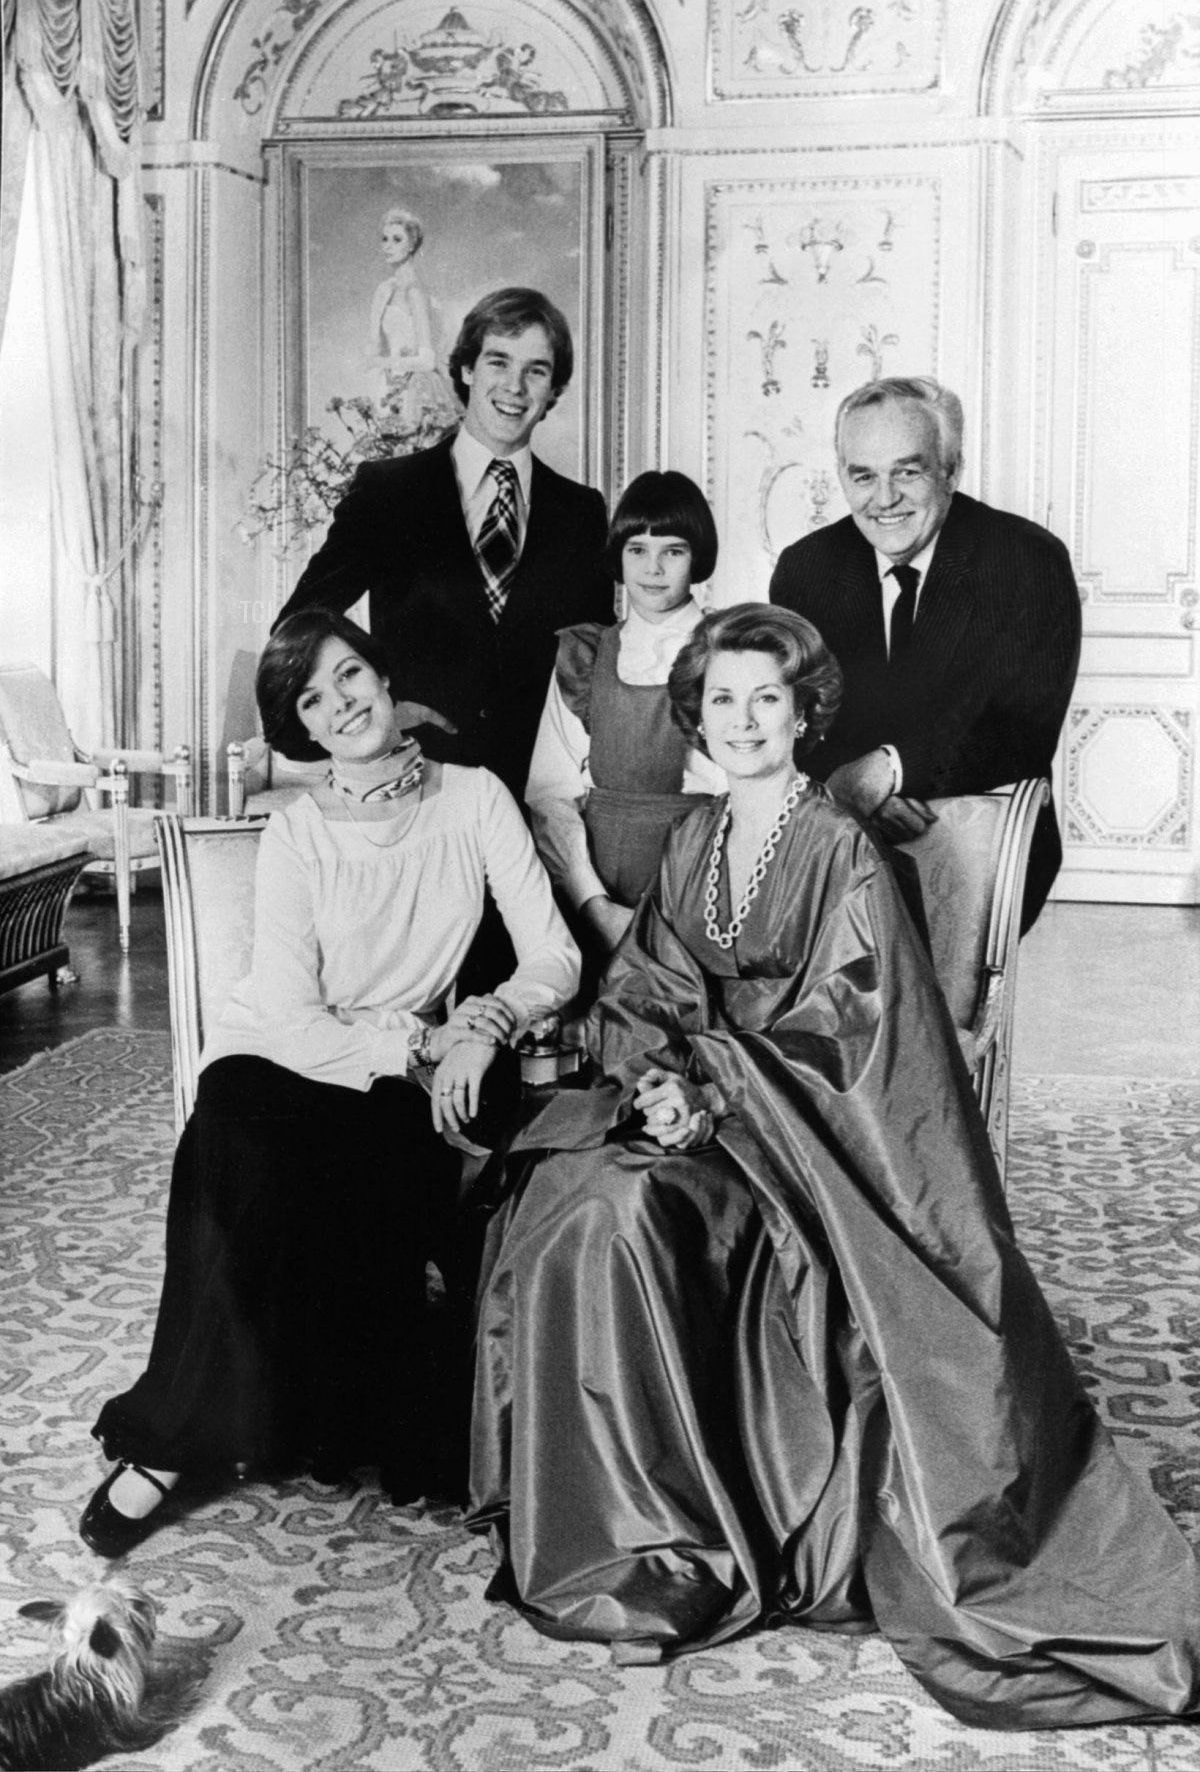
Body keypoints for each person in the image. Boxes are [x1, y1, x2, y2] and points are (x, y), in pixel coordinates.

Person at [468, 602, 1200, 1729]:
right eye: (723, 698)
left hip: (806, 1148)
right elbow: (649, 988)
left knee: (622, 1215)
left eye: (769, 696)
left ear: (806, 711)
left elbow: (855, 1038)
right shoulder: (693, 839)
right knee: (569, 1187)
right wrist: (659, 1074)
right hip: (705, 1117)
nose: (746, 717)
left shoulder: (843, 846)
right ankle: (619, 1530)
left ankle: (674, 1546)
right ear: (695, 717)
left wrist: (709, 1081)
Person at [80, 610, 578, 1557]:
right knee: (236, 1125)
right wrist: (418, 1049)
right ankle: (169, 1441)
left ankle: (261, 1422)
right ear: (301, 727)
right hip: (287, 1051)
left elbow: (552, 953)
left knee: (355, 1161)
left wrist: (484, 1022)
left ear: (386, 681)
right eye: (313, 697)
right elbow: (292, 1018)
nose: (341, 703)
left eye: (349, 675)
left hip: (405, 1067)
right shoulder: (297, 834)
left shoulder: (475, 798)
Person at [276, 286, 611, 802]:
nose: (515, 387)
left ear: (553, 390)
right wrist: (373, 720)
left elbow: (594, 666)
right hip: (414, 795)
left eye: (536, 370)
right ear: (467, 370)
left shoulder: (583, 514)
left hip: (541, 806)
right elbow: (297, 629)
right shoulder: (389, 493)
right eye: (498, 362)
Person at [768, 377, 1080, 929]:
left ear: (951, 469)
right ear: (842, 475)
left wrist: (887, 769)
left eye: (907, 471)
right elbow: (795, 717)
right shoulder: (807, 568)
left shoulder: (1027, 561)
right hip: (843, 823)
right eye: (863, 475)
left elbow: (1022, 732)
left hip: (977, 834)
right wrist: (849, 789)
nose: (884, 499)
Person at [525, 470, 726, 958]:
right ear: (618, 556)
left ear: (696, 557)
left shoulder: (731, 651)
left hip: (700, 889)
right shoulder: (587, 655)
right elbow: (551, 796)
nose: (653, 568)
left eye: (672, 551)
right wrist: (592, 904)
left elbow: (747, 796)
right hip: (597, 896)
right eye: (638, 549)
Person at [368, 206, 461, 444]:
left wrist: (386, 362)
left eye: (397, 239)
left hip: (416, 387)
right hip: (387, 386)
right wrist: (380, 365)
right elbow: (373, 347)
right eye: (385, 239)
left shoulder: (416, 293)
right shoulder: (383, 290)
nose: (387, 245)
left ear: (412, 245)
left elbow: (427, 359)